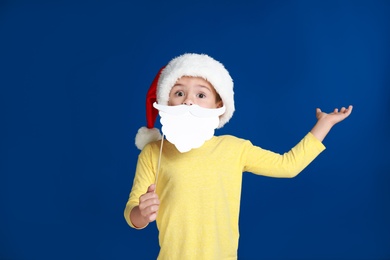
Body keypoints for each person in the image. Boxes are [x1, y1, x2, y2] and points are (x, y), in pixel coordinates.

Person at [124, 53, 353, 260]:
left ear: (219, 105)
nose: (188, 101)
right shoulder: (153, 152)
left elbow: (288, 166)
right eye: (179, 92)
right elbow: (132, 212)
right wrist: (141, 213)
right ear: (166, 102)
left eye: (201, 94)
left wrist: (324, 124)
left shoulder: (235, 149)